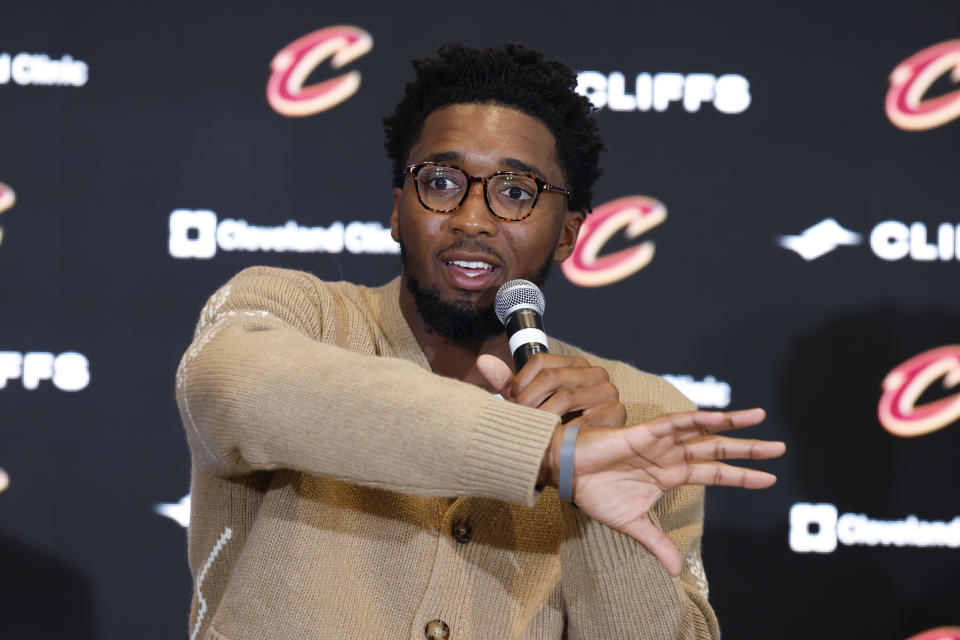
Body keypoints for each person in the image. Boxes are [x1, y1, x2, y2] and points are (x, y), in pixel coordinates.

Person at [175, 43, 785, 640]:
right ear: (397, 208)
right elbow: (236, 388)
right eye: (441, 182)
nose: (471, 217)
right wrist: (547, 453)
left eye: (516, 193)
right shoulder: (295, 313)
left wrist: (604, 515)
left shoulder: (647, 415)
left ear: (570, 234)